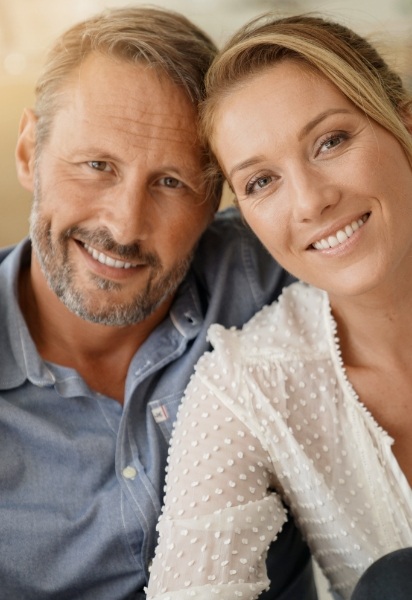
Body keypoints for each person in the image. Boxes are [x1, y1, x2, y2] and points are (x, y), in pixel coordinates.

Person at [0, 6, 319, 600]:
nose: (125, 225)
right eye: (97, 166)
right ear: (28, 153)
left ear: (217, 198)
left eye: (171, 182)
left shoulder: (277, 264)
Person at [146, 12, 412, 600]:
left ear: (403, 122)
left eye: (332, 141)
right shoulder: (249, 383)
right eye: (262, 181)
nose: (312, 202)